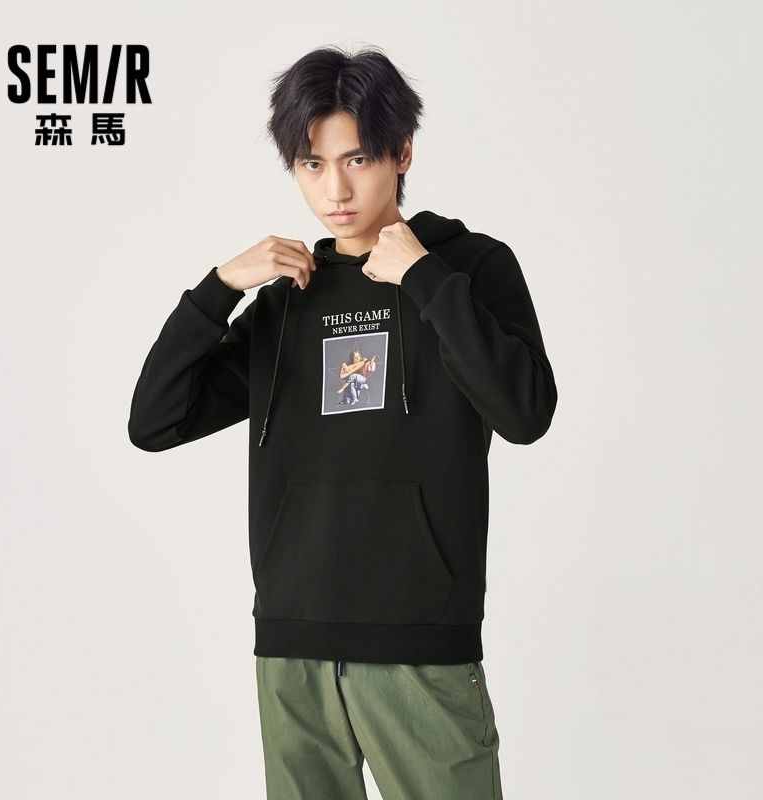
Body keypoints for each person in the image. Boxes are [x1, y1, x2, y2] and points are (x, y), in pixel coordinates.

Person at [129, 45, 557, 800]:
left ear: (402, 153)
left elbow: (525, 412)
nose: (335, 189)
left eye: (357, 159)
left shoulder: (470, 269)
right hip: (292, 645)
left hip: (419, 639)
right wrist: (219, 288)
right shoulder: (285, 300)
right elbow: (155, 421)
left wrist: (425, 278)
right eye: (312, 165)